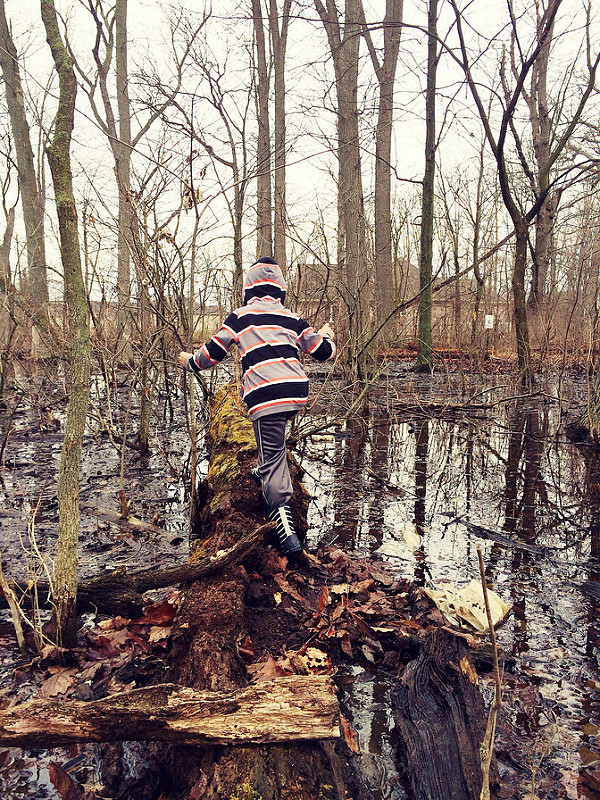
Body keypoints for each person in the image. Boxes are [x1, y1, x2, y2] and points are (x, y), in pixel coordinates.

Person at [179, 257, 335, 558]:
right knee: (272, 440)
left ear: (249, 290)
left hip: (267, 393)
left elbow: (209, 355)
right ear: (281, 291)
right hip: (295, 389)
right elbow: (324, 352)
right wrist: (327, 333)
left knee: (273, 449)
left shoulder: (240, 317)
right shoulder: (293, 318)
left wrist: (188, 361)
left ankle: (286, 531)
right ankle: (266, 467)